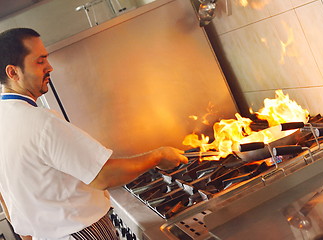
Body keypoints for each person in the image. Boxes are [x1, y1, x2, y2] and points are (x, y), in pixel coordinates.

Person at [0, 28, 188, 240]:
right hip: (81, 233)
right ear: (13, 72)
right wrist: (158, 156)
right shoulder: (41, 123)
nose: (49, 67)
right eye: (40, 61)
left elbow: (5, 199)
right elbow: (102, 175)